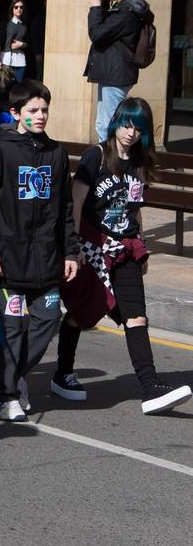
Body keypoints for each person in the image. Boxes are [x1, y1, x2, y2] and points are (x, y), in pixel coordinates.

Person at [53, 98, 191, 415]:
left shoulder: (139, 164)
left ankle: (150, 386)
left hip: (124, 248)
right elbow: (74, 204)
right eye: (126, 124)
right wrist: (72, 248)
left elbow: (133, 210)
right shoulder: (97, 156)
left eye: (138, 127)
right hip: (92, 249)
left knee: (136, 316)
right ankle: (63, 374)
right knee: (81, 313)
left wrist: (142, 247)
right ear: (116, 122)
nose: (130, 132)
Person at [0, 78, 79, 422]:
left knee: (47, 319)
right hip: (7, 264)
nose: (41, 116)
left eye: (45, 109)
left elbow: (64, 210)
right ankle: (7, 395)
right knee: (12, 327)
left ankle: (14, 377)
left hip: (46, 261)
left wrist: (71, 252)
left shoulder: (56, 153)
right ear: (15, 113)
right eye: (33, 110)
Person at [86, 0, 154, 144]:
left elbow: (97, 34)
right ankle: (109, 160)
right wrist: (103, 5)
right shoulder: (125, 9)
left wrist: (95, 7)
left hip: (115, 75)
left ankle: (109, 164)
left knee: (107, 125)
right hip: (114, 73)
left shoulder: (126, 13)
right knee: (104, 123)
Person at [0, 0, 29, 85]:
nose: (19, 9)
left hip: (20, 60)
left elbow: (28, 43)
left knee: (17, 87)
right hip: (6, 59)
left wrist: (21, 44)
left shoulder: (24, 26)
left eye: (21, 7)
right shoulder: (5, 24)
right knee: (5, 87)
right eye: (16, 7)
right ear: (12, 8)